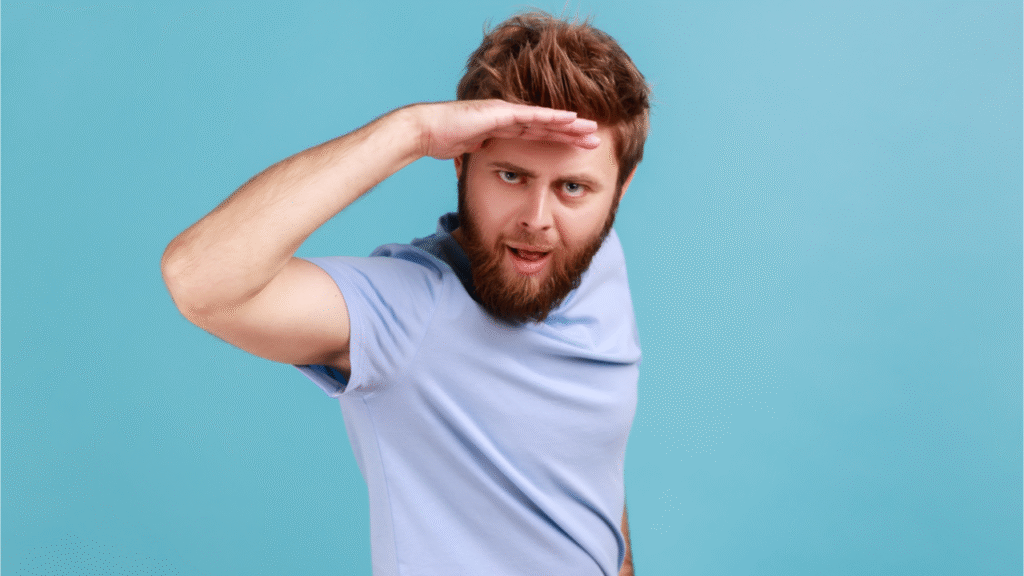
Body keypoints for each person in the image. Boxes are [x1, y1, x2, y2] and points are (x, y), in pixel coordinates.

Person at [161, 10, 650, 576]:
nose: (537, 220)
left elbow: (589, 466)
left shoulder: (594, 258)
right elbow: (199, 278)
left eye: (572, 187)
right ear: (461, 161)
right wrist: (412, 131)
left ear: (619, 190)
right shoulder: (407, 312)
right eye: (511, 176)